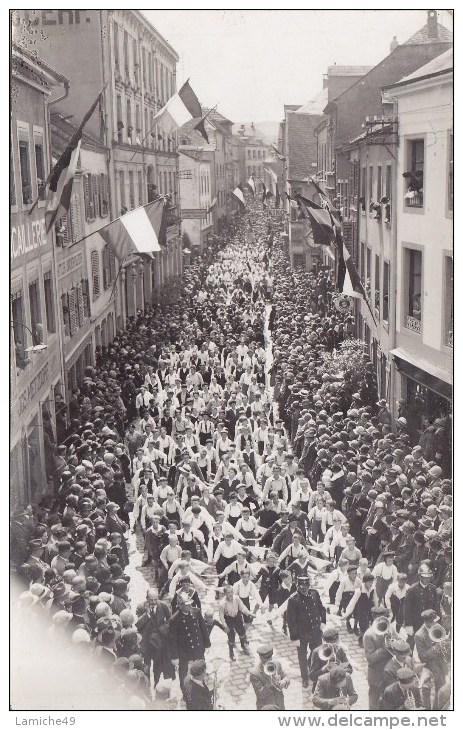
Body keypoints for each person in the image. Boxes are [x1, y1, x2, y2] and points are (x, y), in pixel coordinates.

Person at [287, 575, 326, 689]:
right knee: (302, 657)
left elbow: (321, 608)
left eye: (306, 585)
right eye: (301, 586)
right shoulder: (293, 600)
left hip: (315, 631)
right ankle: (304, 678)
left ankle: (315, 672)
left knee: (317, 653)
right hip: (301, 634)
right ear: (297, 586)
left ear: (309, 585)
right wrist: (294, 637)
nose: (304, 588)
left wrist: (322, 621)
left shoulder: (314, 594)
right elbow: (291, 620)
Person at [168, 589, 211, 696]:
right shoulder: (174, 619)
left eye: (189, 604)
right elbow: (172, 640)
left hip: (197, 647)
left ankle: (201, 687)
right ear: (180, 606)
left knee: (201, 668)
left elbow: (203, 628)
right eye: (186, 605)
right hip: (184, 650)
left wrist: (207, 644)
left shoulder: (196, 612)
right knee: (183, 673)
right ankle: (185, 692)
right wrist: (174, 656)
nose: (189, 606)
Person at [136, 588, 174, 687]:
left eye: (155, 599)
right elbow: (138, 625)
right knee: (146, 666)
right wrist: (147, 614)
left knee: (158, 666)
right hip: (146, 643)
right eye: (151, 599)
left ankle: (156, 685)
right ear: (146, 598)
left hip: (159, 642)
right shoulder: (141, 607)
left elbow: (170, 621)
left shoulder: (163, 605)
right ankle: (147, 685)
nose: (153, 602)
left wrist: (163, 628)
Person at [250, 644, 288, 710]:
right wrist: (270, 683)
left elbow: (285, 676)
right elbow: (260, 694)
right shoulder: (255, 673)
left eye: (270, 658)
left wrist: (284, 681)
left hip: (279, 702)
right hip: (266, 706)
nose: (269, 661)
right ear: (260, 657)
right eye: (266, 659)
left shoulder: (276, 663)